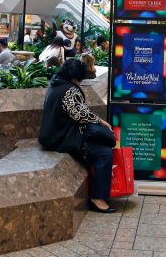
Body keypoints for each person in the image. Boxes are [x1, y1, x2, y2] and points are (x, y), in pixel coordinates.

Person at [39, 59, 116, 212]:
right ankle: (97, 199)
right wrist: (101, 122)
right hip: (61, 138)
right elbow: (79, 114)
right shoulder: (70, 90)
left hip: (52, 135)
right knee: (104, 154)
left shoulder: (56, 85)